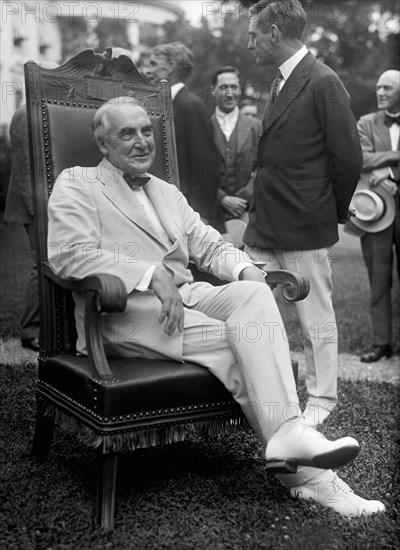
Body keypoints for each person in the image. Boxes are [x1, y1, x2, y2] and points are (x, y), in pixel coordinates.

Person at [47, 96, 384, 517]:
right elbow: (68, 254)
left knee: (254, 294)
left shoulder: (166, 191)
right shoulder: (76, 182)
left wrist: (245, 270)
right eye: (126, 134)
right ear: (103, 144)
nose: (141, 142)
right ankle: (312, 477)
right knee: (239, 342)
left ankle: (289, 438)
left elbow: (206, 244)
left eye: (146, 131)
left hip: (185, 301)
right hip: (124, 314)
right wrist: (150, 275)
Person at [243, 0, 363, 427]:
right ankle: (251, 388)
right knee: (244, 305)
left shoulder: (323, 80)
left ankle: (322, 398)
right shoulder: (278, 81)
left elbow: (348, 157)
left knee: (316, 320)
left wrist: (330, 210)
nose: (250, 43)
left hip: (304, 224)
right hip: (265, 222)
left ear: (274, 33)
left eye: (254, 34)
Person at [145, 42, 225, 233]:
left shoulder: (191, 106)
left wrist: (201, 214)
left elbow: (207, 163)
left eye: (154, 64)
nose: (148, 71)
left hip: (191, 213)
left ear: (171, 66)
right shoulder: (160, 106)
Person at [355, 70, 400, 362]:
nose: (380, 92)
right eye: (378, 87)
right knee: (379, 279)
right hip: (377, 212)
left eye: (387, 88)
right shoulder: (366, 122)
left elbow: (374, 163)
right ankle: (381, 342)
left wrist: (389, 172)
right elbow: (362, 159)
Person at [4, 105, 40, 351]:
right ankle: (31, 331)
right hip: (34, 205)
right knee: (41, 265)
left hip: (43, 202)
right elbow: (24, 168)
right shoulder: (25, 114)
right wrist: (37, 209)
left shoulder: (39, 109)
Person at [210, 66, 261, 221]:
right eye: (224, 87)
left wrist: (246, 195)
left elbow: (266, 166)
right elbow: (195, 171)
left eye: (234, 87)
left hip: (249, 211)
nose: (230, 93)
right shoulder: (203, 126)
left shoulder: (256, 126)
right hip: (213, 215)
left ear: (240, 90)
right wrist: (222, 198)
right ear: (213, 91)